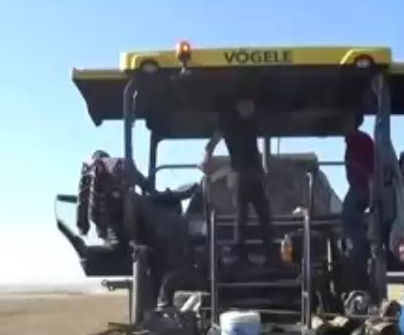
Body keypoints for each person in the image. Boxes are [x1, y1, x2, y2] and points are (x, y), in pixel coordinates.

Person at [76, 150, 193, 311]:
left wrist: (82, 228)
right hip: (140, 227)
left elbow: (82, 203)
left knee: (129, 250)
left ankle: (155, 305)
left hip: (117, 226)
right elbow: (147, 187)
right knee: (157, 257)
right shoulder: (122, 167)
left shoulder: (90, 171)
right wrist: (168, 195)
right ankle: (160, 302)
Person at [200, 98, 275, 264]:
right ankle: (241, 253)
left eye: (252, 106)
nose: (251, 109)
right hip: (239, 174)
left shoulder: (252, 124)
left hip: (253, 174)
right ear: (239, 107)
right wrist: (206, 160)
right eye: (248, 106)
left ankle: (269, 253)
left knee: (262, 212)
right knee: (243, 215)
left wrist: (262, 171)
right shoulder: (229, 125)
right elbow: (211, 143)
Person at [342, 114, 374, 290]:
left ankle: (359, 249)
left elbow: (368, 165)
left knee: (348, 215)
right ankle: (357, 247)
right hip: (359, 186)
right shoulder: (356, 140)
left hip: (362, 187)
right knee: (348, 215)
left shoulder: (359, 140)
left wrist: (368, 181)